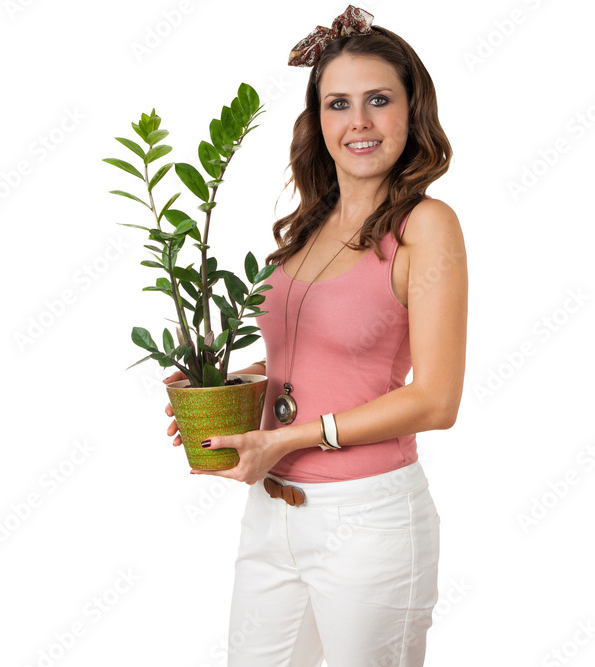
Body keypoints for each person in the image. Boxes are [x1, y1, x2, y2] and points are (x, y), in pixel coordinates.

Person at [163, 5, 467, 665]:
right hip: (271, 508)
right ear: (318, 119)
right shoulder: (308, 225)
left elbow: (437, 399)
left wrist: (286, 438)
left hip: (367, 519)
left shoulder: (425, 225)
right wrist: (221, 386)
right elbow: (310, 359)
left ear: (411, 110)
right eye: (338, 104)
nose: (358, 121)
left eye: (378, 100)